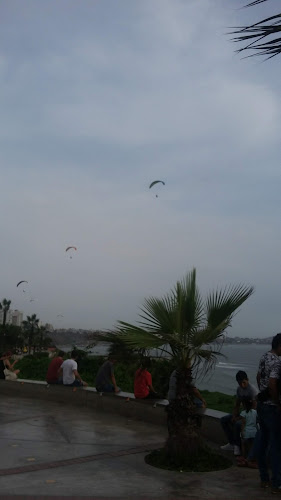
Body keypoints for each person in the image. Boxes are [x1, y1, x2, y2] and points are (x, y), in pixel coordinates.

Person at [256, 333, 281, 493]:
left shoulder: (264, 356)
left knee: (262, 442)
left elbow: (259, 377)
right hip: (272, 408)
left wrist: (262, 393)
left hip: (261, 405)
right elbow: (273, 383)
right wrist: (277, 402)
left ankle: (264, 478)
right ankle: (277, 483)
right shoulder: (277, 361)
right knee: (276, 445)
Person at [220, 370, 258, 456]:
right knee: (224, 420)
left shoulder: (253, 390)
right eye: (240, 383)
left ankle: (237, 446)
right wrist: (234, 415)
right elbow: (237, 404)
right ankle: (232, 443)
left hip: (252, 416)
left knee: (237, 424)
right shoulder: (239, 389)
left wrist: (240, 418)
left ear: (247, 379)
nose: (242, 385)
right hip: (243, 413)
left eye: (243, 382)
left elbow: (254, 409)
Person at [236, 397, 258, 468]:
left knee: (243, 445)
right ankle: (252, 459)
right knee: (252, 446)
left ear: (244, 405)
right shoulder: (255, 412)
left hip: (246, 431)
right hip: (254, 432)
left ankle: (243, 457)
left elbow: (243, 423)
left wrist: (242, 432)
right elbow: (256, 421)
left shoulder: (243, 413)